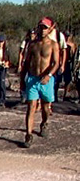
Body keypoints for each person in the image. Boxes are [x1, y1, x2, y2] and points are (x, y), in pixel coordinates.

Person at [20, 16, 60, 148]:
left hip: (46, 79)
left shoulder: (53, 45)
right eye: (40, 27)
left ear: (50, 29)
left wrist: (49, 75)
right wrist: (22, 79)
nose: (42, 30)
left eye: (45, 28)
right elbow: (26, 62)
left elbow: (56, 63)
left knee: (45, 106)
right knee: (31, 106)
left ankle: (44, 122)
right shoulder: (32, 44)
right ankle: (28, 134)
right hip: (32, 78)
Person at [18, 29, 37, 103]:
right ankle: (23, 95)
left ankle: (30, 96)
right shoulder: (25, 42)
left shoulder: (36, 43)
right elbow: (21, 53)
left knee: (31, 80)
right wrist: (19, 64)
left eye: (34, 34)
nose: (32, 36)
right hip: (25, 62)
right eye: (31, 34)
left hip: (32, 64)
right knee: (23, 79)